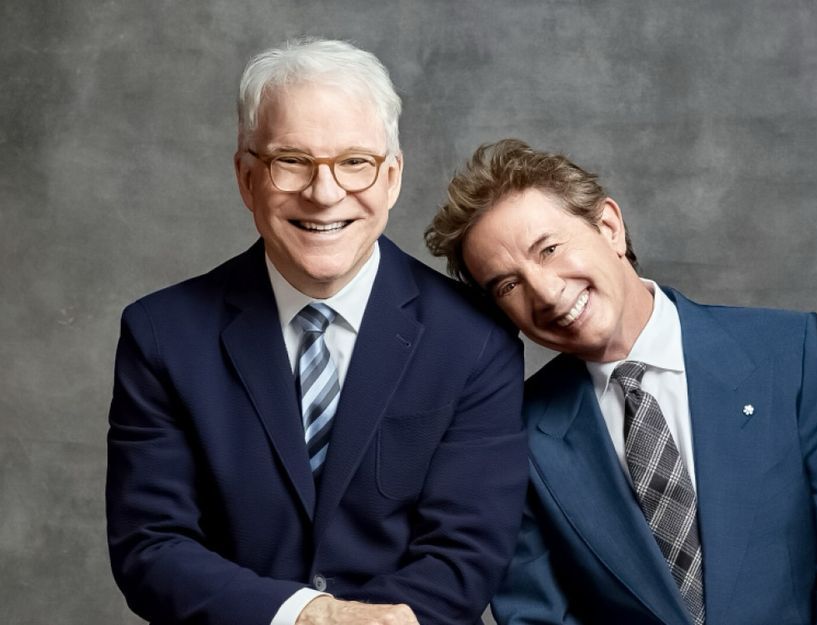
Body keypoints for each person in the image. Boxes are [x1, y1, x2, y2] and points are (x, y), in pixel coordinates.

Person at [106, 40, 528, 625]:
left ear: (392, 177)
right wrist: (309, 616)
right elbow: (151, 547)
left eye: (354, 161)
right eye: (292, 160)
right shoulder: (162, 335)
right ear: (247, 177)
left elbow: (469, 551)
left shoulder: (474, 340)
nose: (324, 193)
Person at [425, 139, 817, 625]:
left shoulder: (788, 353)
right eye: (509, 284)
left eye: (549, 249)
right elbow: (538, 615)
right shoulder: (517, 434)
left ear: (609, 226)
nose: (547, 292)